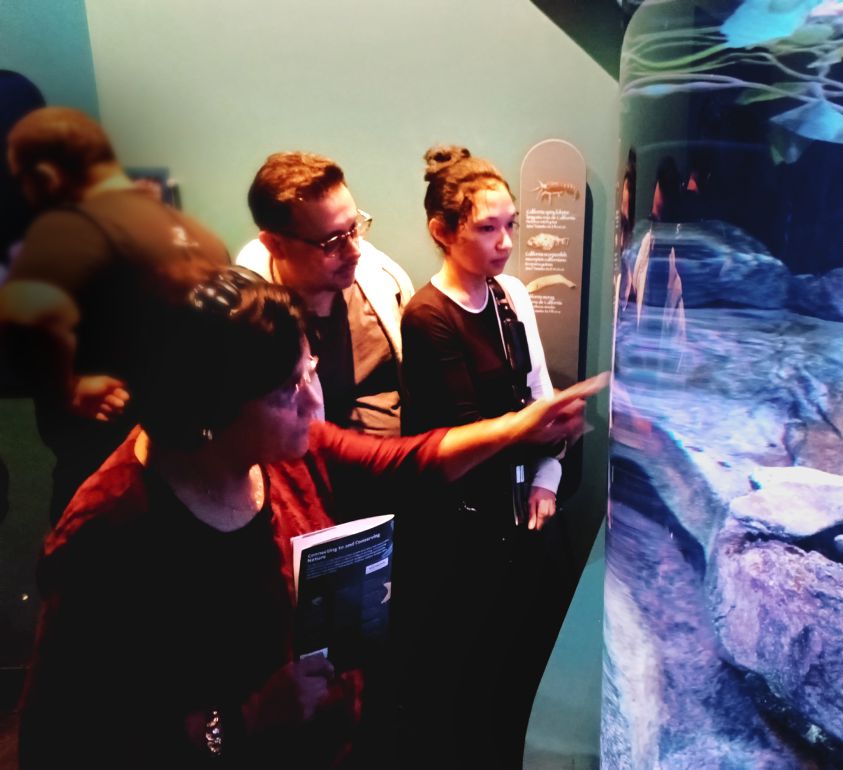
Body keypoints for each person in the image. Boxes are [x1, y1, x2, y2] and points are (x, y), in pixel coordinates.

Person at [17, 265, 604, 770]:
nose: (314, 401)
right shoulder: (108, 535)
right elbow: (61, 743)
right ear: (207, 411)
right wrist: (241, 721)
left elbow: (404, 463)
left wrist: (519, 428)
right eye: (285, 391)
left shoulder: (284, 451)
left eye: (310, 369)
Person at [396, 145, 572, 766]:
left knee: (520, 668)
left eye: (511, 226)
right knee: (465, 678)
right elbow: (470, 432)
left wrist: (548, 475)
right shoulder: (427, 316)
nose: (505, 243)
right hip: (461, 528)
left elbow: (539, 395)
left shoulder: (510, 295)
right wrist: (543, 429)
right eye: (487, 228)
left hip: (518, 512)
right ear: (442, 232)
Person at [0, 106, 229, 523]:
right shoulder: (195, 232)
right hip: (188, 444)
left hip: (101, 451)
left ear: (46, 176)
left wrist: (68, 385)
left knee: (89, 538)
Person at [239, 152, 413, 436]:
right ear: (275, 245)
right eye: (332, 242)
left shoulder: (385, 283)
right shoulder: (249, 325)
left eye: (354, 228)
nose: (355, 252)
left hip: (401, 459)